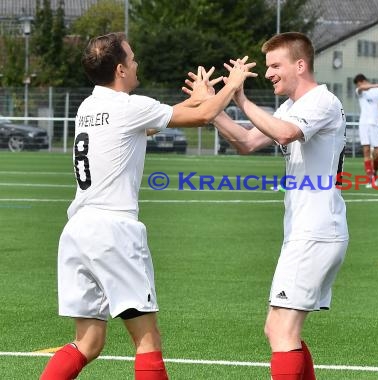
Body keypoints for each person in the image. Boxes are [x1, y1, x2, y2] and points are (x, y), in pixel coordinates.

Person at [40, 32, 256, 380]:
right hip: (115, 232)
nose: (137, 62)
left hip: (78, 232)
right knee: (147, 340)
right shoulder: (128, 107)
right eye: (133, 57)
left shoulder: (88, 107)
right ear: (122, 69)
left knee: (88, 342)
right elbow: (204, 117)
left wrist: (199, 100)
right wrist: (230, 86)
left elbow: (154, 121)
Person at [195, 32, 349, 380]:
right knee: (279, 329)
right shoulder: (294, 106)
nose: (269, 73)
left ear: (300, 64)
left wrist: (240, 98)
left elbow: (282, 133)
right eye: (267, 67)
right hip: (307, 231)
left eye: (275, 66)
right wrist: (213, 106)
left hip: (316, 230)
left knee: (281, 331)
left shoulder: (321, 101)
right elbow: (248, 141)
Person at [353, 74, 378, 186]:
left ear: (362, 81)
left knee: (377, 152)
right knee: (366, 150)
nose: (359, 86)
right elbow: (362, 88)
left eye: (359, 83)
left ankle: (375, 173)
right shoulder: (360, 91)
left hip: (375, 124)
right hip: (364, 124)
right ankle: (370, 178)